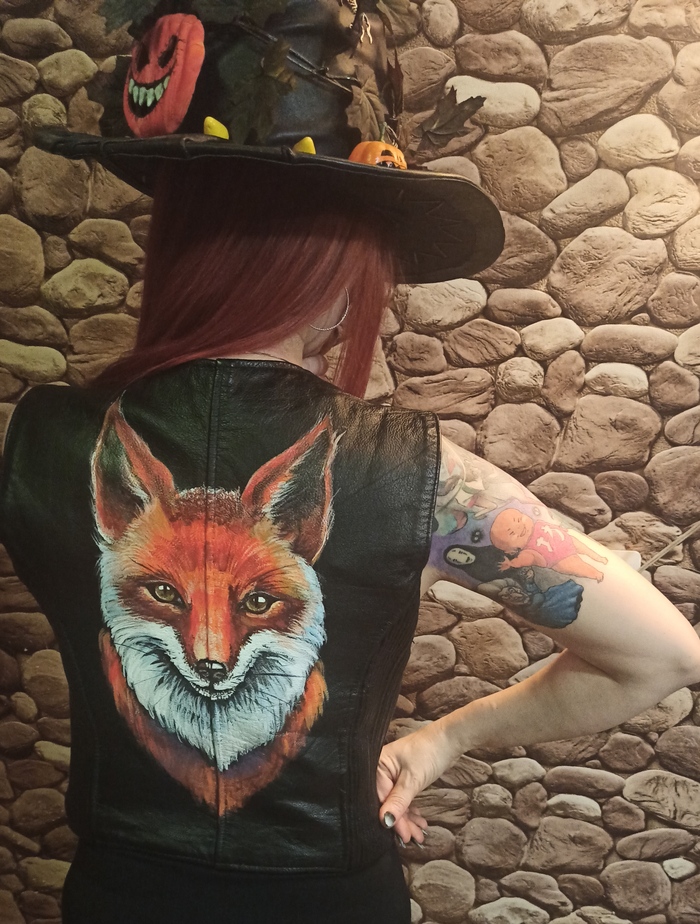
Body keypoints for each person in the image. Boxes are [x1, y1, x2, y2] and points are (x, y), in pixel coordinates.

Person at [1, 2, 700, 923]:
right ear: (341, 271)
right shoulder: (420, 476)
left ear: (171, 243)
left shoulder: (40, 439)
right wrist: (445, 741)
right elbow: (662, 655)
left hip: (116, 898)